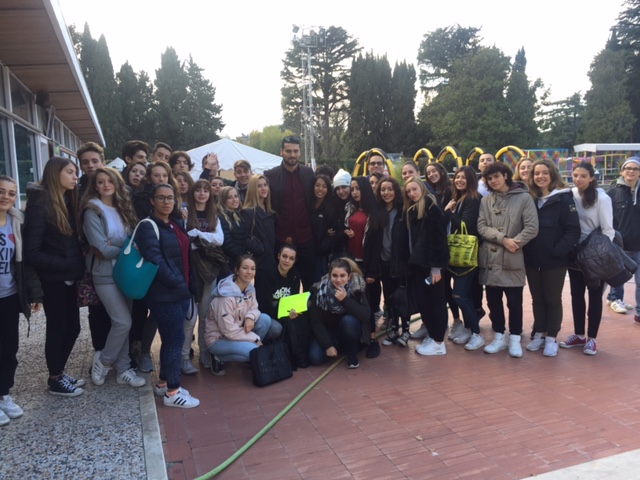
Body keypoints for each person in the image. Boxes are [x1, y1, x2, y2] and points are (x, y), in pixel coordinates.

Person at [24, 157, 86, 396]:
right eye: (70, 172)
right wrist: (64, 264)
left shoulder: (66, 200)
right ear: (54, 173)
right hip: (53, 280)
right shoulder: (40, 204)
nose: (75, 177)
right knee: (59, 328)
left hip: (68, 277)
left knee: (73, 328)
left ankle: (59, 371)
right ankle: (55, 378)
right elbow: (32, 252)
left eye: (75, 173)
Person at [135, 183, 200, 408]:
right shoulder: (148, 226)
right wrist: (179, 284)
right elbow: (156, 261)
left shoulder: (173, 224)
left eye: (170, 198)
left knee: (170, 339)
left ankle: (163, 384)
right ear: (152, 200)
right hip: (166, 294)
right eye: (161, 198)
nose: (166, 202)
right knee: (175, 340)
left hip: (180, 292)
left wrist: (187, 286)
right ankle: (173, 392)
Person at [80, 167, 146, 388]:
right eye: (100, 182)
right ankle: (104, 362)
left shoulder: (122, 208)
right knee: (122, 321)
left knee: (125, 324)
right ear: (95, 185)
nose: (106, 185)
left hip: (125, 273)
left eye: (110, 181)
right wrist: (126, 247)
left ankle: (124, 369)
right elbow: (100, 249)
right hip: (104, 274)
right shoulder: (92, 211)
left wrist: (117, 245)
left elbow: (130, 241)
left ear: (117, 184)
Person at [477, 162, 539, 357]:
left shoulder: (524, 198)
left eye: (496, 176)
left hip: (513, 256)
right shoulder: (486, 201)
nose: (493, 181)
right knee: (493, 301)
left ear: (506, 175)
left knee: (514, 301)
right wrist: (502, 239)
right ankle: (498, 337)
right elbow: (481, 226)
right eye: (489, 178)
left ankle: (514, 339)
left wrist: (514, 242)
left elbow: (532, 227)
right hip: (491, 258)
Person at [523, 160, 580, 357]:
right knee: (537, 298)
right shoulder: (529, 199)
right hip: (532, 259)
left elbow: (573, 230)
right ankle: (539, 332)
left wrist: (557, 251)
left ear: (552, 175)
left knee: (553, 299)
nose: (540, 176)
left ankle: (551, 338)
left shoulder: (564, 199)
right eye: (536, 173)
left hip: (554, 261)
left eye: (544, 173)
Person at [130, 160, 180, 373]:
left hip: (172, 275)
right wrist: (177, 282)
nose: (161, 179)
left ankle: (166, 377)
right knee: (167, 331)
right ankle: (167, 381)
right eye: (156, 175)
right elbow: (153, 255)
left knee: (170, 331)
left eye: (164, 175)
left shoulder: (174, 214)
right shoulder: (144, 211)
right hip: (155, 276)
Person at [560, 162, 615, 356]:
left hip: (595, 256)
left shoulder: (602, 198)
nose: (578, 179)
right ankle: (578, 335)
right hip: (574, 254)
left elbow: (608, 230)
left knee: (594, 296)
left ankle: (592, 339)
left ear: (591, 177)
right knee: (576, 295)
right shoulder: (569, 194)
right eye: (575, 175)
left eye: (583, 176)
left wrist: (599, 255)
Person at [0, 176, 42, 425]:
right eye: (1, 191)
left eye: (11, 193)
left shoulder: (16, 221)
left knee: (8, 349)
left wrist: (34, 294)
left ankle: (4, 394)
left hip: (9, 296)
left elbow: (24, 264)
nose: (6, 196)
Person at [205, 255, 282, 375]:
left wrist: (250, 317)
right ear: (236, 270)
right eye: (245, 268)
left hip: (238, 331)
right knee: (254, 351)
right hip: (219, 339)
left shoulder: (249, 288)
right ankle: (218, 358)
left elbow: (255, 308)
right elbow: (228, 331)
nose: (249, 272)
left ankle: (249, 354)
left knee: (265, 320)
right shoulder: (225, 297)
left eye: (253, 268)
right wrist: (255, 339)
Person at [403, 177, 450, 356]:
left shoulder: (432, 209)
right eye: (408, 191)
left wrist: (436, 268)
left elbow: (438, 240)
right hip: (420, 265)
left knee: (435, 301)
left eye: (414, 189)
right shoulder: (414, 210)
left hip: (431, 267)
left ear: (422, 188)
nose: (412, 193)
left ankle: (438, 342)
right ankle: (433, 335)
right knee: (425, 301)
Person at [265, 136, 317, 290]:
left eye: (295, 151)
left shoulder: (309, 174)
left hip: (306, 239)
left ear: (300, 153)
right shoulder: (270, 176)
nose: (292, 155)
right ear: (281, 152)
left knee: (310, 284)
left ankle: (308, 314)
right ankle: (285, 314)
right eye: (288, 151)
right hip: (281, 239)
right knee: (283, 285)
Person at [76, 142, 112, 359]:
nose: (90, 165)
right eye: (85, 162)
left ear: (102, 162)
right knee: (96, 306)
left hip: (111, 255)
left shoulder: (113, 187)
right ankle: (100, 350)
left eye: (94, 161)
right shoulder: (75, 190)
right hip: (89, 256)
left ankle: (120, 350)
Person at [185, 179, 226, 371]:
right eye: (198, 190)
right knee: (189, 316)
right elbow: (185, 240)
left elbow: (219, 240)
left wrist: (197, 234)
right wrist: (201, 237)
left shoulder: (213, 215)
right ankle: (184, 356)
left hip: (209, 270)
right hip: (189, 268)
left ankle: (205, 352)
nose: (202, 194)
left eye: (206, 190)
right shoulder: (185, 212)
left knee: (205, 313)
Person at [344, 176, 386, 358]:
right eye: (352, 189)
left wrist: (372, 271)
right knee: (355, 302)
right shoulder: (350, 209)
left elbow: (377, 244)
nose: (354, 192)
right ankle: (361, 338)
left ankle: (373, 339)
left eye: (358, 188)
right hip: (352, 262)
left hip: (368, 264)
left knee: (370, 304)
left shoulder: (375, 212)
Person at [443, 167, 484, 350]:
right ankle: (468, 328)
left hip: (466, 254)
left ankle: (476, 333)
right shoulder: (460, 198)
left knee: (459, 294)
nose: (459, 180)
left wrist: (449, 213)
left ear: (471, 180)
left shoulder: (472, 199)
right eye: (457, 177)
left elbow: (465, 225)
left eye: (463, 178)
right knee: (464, 294)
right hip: (457, 254)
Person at [308, 257, 371, 368]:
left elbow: (366, 315)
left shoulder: (356, 288)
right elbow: (315, 321)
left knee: (348, 321)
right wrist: (328, 345)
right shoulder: (320, 290)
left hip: (351, 332)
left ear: (349, 276)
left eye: (342, 276)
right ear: (329, 275)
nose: (338, 280)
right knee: (315, 357)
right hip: (331, 333)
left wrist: (346, 300)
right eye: (334, 276)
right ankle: (338, 348)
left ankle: (351, 355)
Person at [375, 177, 411, 347]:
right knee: (390, 298)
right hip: (384, 261)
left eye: (390, 189)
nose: (386, 193)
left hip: (400, 262)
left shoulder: (403, 211)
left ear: (396, 191)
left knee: (402, 297)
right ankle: (394, 330)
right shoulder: (378, 211)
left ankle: (406, 331)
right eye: (383, 189)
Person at [263, 244, 310, 368]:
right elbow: (264, 305)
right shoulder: (267, 274)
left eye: (291, 258)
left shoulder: (295, 275)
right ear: (278, 256)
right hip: (269, 314)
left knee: (302, 319)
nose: (287, 260)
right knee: (287, 323)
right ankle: (295, 358)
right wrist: (283, 313)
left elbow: (293, 300)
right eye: (284, 256)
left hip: (286, 311)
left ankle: (301, 354)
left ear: (294, 261)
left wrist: (293, 311)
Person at [606, 157, 640, 322]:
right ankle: (615, 298)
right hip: (620, 244)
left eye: (635, 169)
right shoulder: (613, 192)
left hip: (639, 245)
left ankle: (639, 312)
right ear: (622, 171)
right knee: (618, 275)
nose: (631, 171)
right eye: (628, 168)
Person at [242, 175, 277, 313]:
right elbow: (243, 238)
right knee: (262, 304)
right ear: (253, 189)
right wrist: (261, 248)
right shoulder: (248, 212)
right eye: (259, 185)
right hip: (259, 265)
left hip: (271, 263)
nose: (263, 188)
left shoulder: (270, 211)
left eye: (265, 185)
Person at [218, 186, 263, 271]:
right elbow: (227, 243)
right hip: (231, 264)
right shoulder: (221, 217)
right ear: (223, 200)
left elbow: (244, 238)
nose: (234, 200)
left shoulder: (237, 215)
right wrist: (243, 257)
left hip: (239, 261)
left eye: (236, 196)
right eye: (229, 197)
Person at [311, 174, 339, 281]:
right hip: (308, 250)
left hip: (322, 255)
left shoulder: (330, 207)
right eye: (317, 185)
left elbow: (333, 232)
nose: (320, 189)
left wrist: (322, 248)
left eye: (324, 186)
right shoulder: (309, 203)